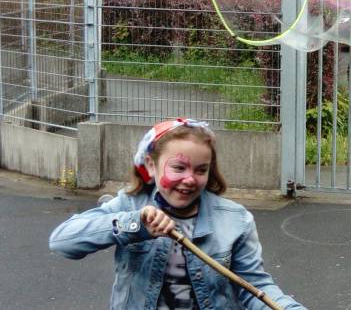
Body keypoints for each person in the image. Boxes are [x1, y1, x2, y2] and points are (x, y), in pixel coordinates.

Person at [49, 118, 305, 310]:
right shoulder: (129, 206)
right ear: (151, 165)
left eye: (201, 170)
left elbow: (254, 286)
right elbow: (62, 242)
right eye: (178, 167)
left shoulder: (235, 219)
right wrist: (134, 224)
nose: (190, 179)